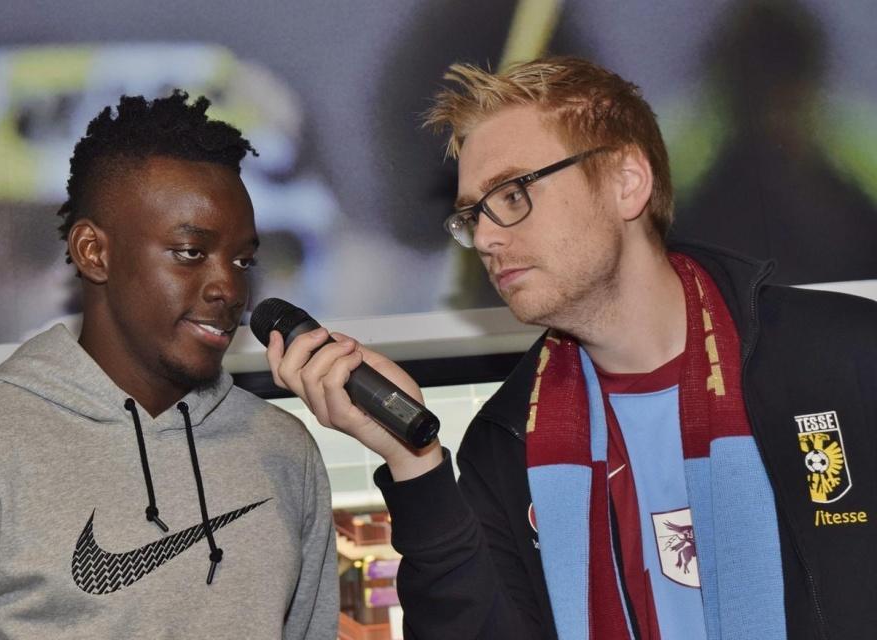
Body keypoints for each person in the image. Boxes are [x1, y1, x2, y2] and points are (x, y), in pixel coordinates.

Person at [265, 57, 877, 639]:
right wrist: (414, 462)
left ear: (627, 182)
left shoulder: (843, 355)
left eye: (513, 195)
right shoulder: (507, 440)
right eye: (473, 215)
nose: (485, 238)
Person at [0, 91, 338, 638]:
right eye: (190, 252)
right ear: (94, 252)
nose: (230, 288)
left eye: (242, 259)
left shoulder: (285, 450)